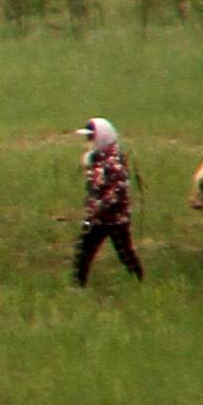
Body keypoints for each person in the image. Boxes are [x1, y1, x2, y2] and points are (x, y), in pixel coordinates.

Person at [71, 117, 141, 285]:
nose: (89, 141)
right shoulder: (97, 158)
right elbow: (94, 187)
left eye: (91, 137)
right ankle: (78, 286)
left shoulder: (113, 161)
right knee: (84, 252)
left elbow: (117, 192)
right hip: (98, 218)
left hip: (115, 219)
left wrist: (98, 209)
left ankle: (139, 280)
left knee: (125, 253)